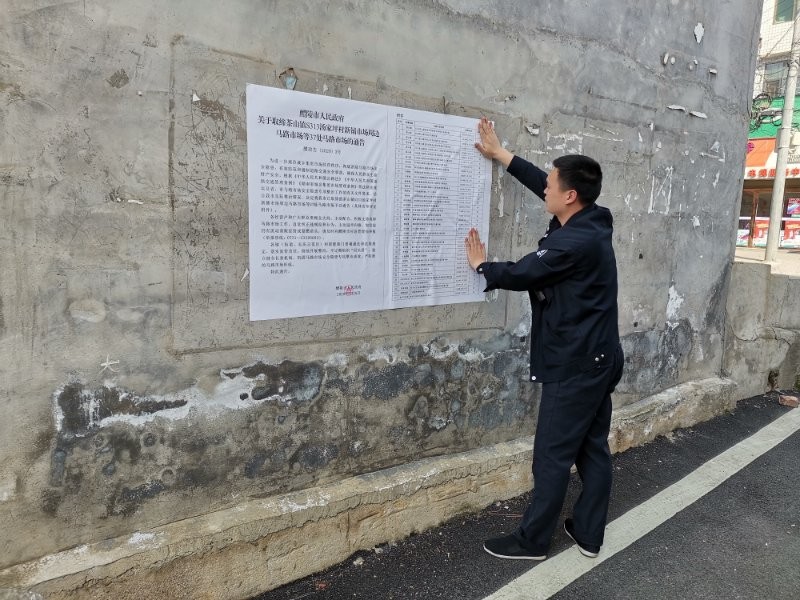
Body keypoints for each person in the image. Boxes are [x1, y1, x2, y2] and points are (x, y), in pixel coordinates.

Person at [465, 117, 624, 561]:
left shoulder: (571, 244)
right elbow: (542, 182)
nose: (546, 188)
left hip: (576, 365)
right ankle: (588, 533)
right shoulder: (591, 219)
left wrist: (482, 266)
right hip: (600, 356)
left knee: (552, 455)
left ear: (569, 195)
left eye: (553, 185)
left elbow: (523, 272)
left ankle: (532, 540)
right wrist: (501, 154)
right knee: (591, 447)